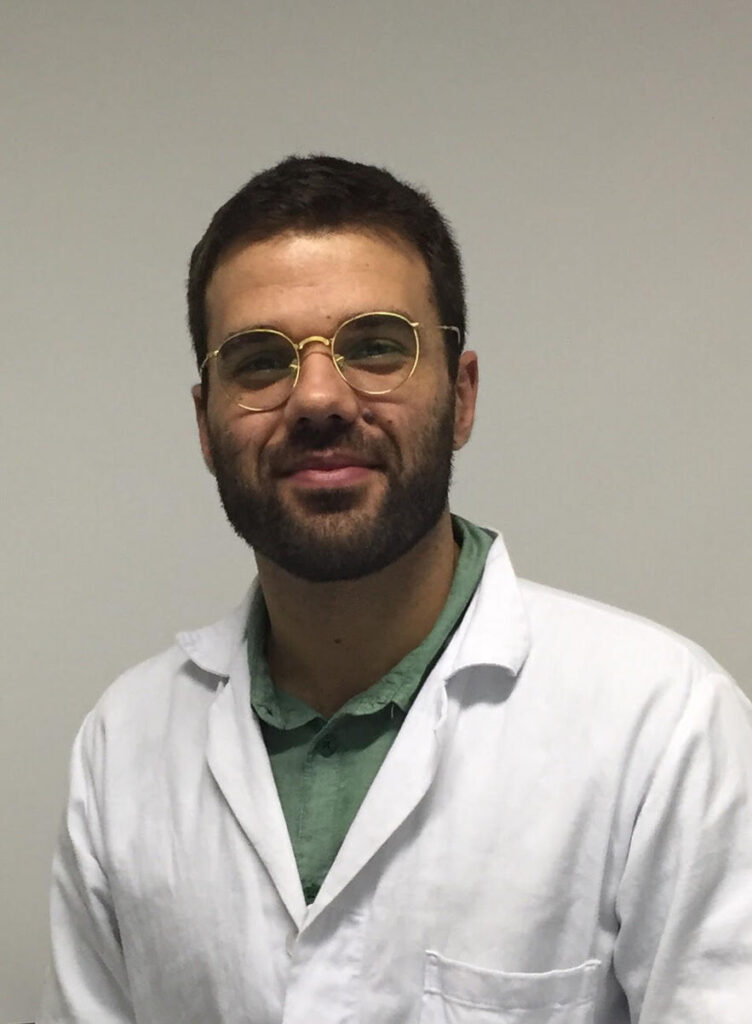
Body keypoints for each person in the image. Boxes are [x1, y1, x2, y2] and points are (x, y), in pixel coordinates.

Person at [40, 155, 752, 1024]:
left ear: (462, 395)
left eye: (375, 346)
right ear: (205, 423)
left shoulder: (665, 726)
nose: (318, 399)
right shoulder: (123, 745)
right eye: (259, 362)